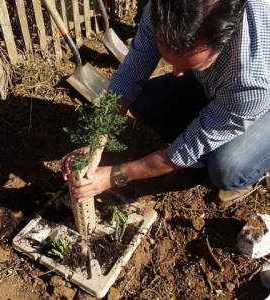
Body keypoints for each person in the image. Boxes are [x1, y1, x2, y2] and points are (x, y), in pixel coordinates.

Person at [61, 0, 270, 208]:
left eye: (193, 64)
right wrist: (96, 143)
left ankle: (246, 175)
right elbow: (128, 77)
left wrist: (114, 177)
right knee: (147, 102)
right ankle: (202, 155)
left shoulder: (252, 81)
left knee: (226, 169)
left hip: (261, 103)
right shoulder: (165, 10)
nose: (176, 72)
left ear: (225, 41)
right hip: (225, 89)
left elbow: (187, 149)